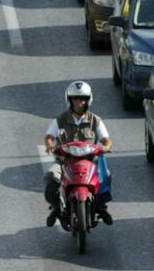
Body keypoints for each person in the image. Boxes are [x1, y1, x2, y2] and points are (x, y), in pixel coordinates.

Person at [43, 81, 113, 227]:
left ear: (89, 100)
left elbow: (107, 140)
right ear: (69, 100)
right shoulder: (61, 119)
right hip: (65, 161)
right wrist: (50, 146)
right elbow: (49, 137)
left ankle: (102, 207)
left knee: (106, 175)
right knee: (51, 177)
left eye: (83, 99)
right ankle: (56, 208)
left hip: (90, 161)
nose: (79, 103)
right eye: (75, 99)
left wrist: (105, 147)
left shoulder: (95, 120)